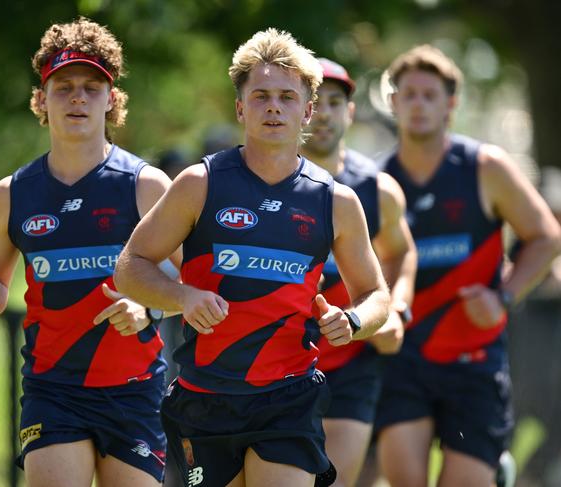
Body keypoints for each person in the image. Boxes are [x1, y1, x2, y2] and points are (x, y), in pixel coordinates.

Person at [113, 28, 391, 487]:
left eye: (287, 96)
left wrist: (355, 321)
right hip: (206, 398)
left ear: (307, 109)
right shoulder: (199, 184)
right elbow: (130, 266)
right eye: (260, 96)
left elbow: (375, 293)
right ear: (241, 107)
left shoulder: (335, 200)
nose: (274, 107)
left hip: (289, 397)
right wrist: (182, 296)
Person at [0, 18, 175, 487]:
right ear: (41, 100)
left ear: (112, 100)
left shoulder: (146, 186)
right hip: (53, 389)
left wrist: (147, 306)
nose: (78, 97)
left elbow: (194, 286)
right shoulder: (13, 193)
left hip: (134, 390)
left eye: (91, 86)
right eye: (63, 87)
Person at [374, 44, 561, 487]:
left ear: (450, 105)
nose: (418, 104)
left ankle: (495, 470)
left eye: (429, 95)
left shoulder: (485, 167)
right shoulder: (376, 181)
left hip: (473, 358)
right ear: (394, 103)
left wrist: (505, 296)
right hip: (404, 358)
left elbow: (546, 237)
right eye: (408, 94)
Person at [300, 57, 417, 487]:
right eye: (315, 102)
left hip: (353, 362)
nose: (325, 113)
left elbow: (402, 255)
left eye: (335, 102)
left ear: (350, 112)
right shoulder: (264, 185)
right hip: (278, 361)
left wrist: (397, 309)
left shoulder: (376, 188)